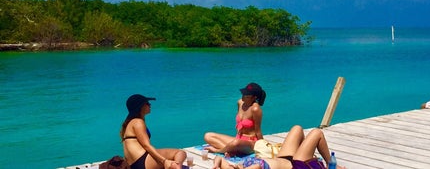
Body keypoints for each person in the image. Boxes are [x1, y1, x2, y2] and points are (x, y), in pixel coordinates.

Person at [211, 125, 345, 169]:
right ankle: (330, 164)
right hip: (295, 166)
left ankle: (308, 156)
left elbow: (218, 159)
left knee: (297, 129)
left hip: (285, 158)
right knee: (317, 133)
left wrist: (216, 165)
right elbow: (257, 167)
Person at [121, 94, 186, 169]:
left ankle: (174, 166)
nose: (150, 105)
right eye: (147, 103)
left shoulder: (130, 123)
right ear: (140, 107)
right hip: (142, 162)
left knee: (171, 159)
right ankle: (177, 167)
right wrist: (164, 161)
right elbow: (146, 145)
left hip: (134, 164)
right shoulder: (138, 122)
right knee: (180, 153)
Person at [205, 82, 267, 156]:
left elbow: (258, 131)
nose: (243, 97)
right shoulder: (240, 103)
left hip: (251, 143)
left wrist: (264, 147)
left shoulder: (255, 109)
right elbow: (239, 122)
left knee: (235, 143)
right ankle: (229, 150)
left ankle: (219, 150)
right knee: (208, 136)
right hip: (239, 138)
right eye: (243, 94)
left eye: (246, 96)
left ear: (255, 97)